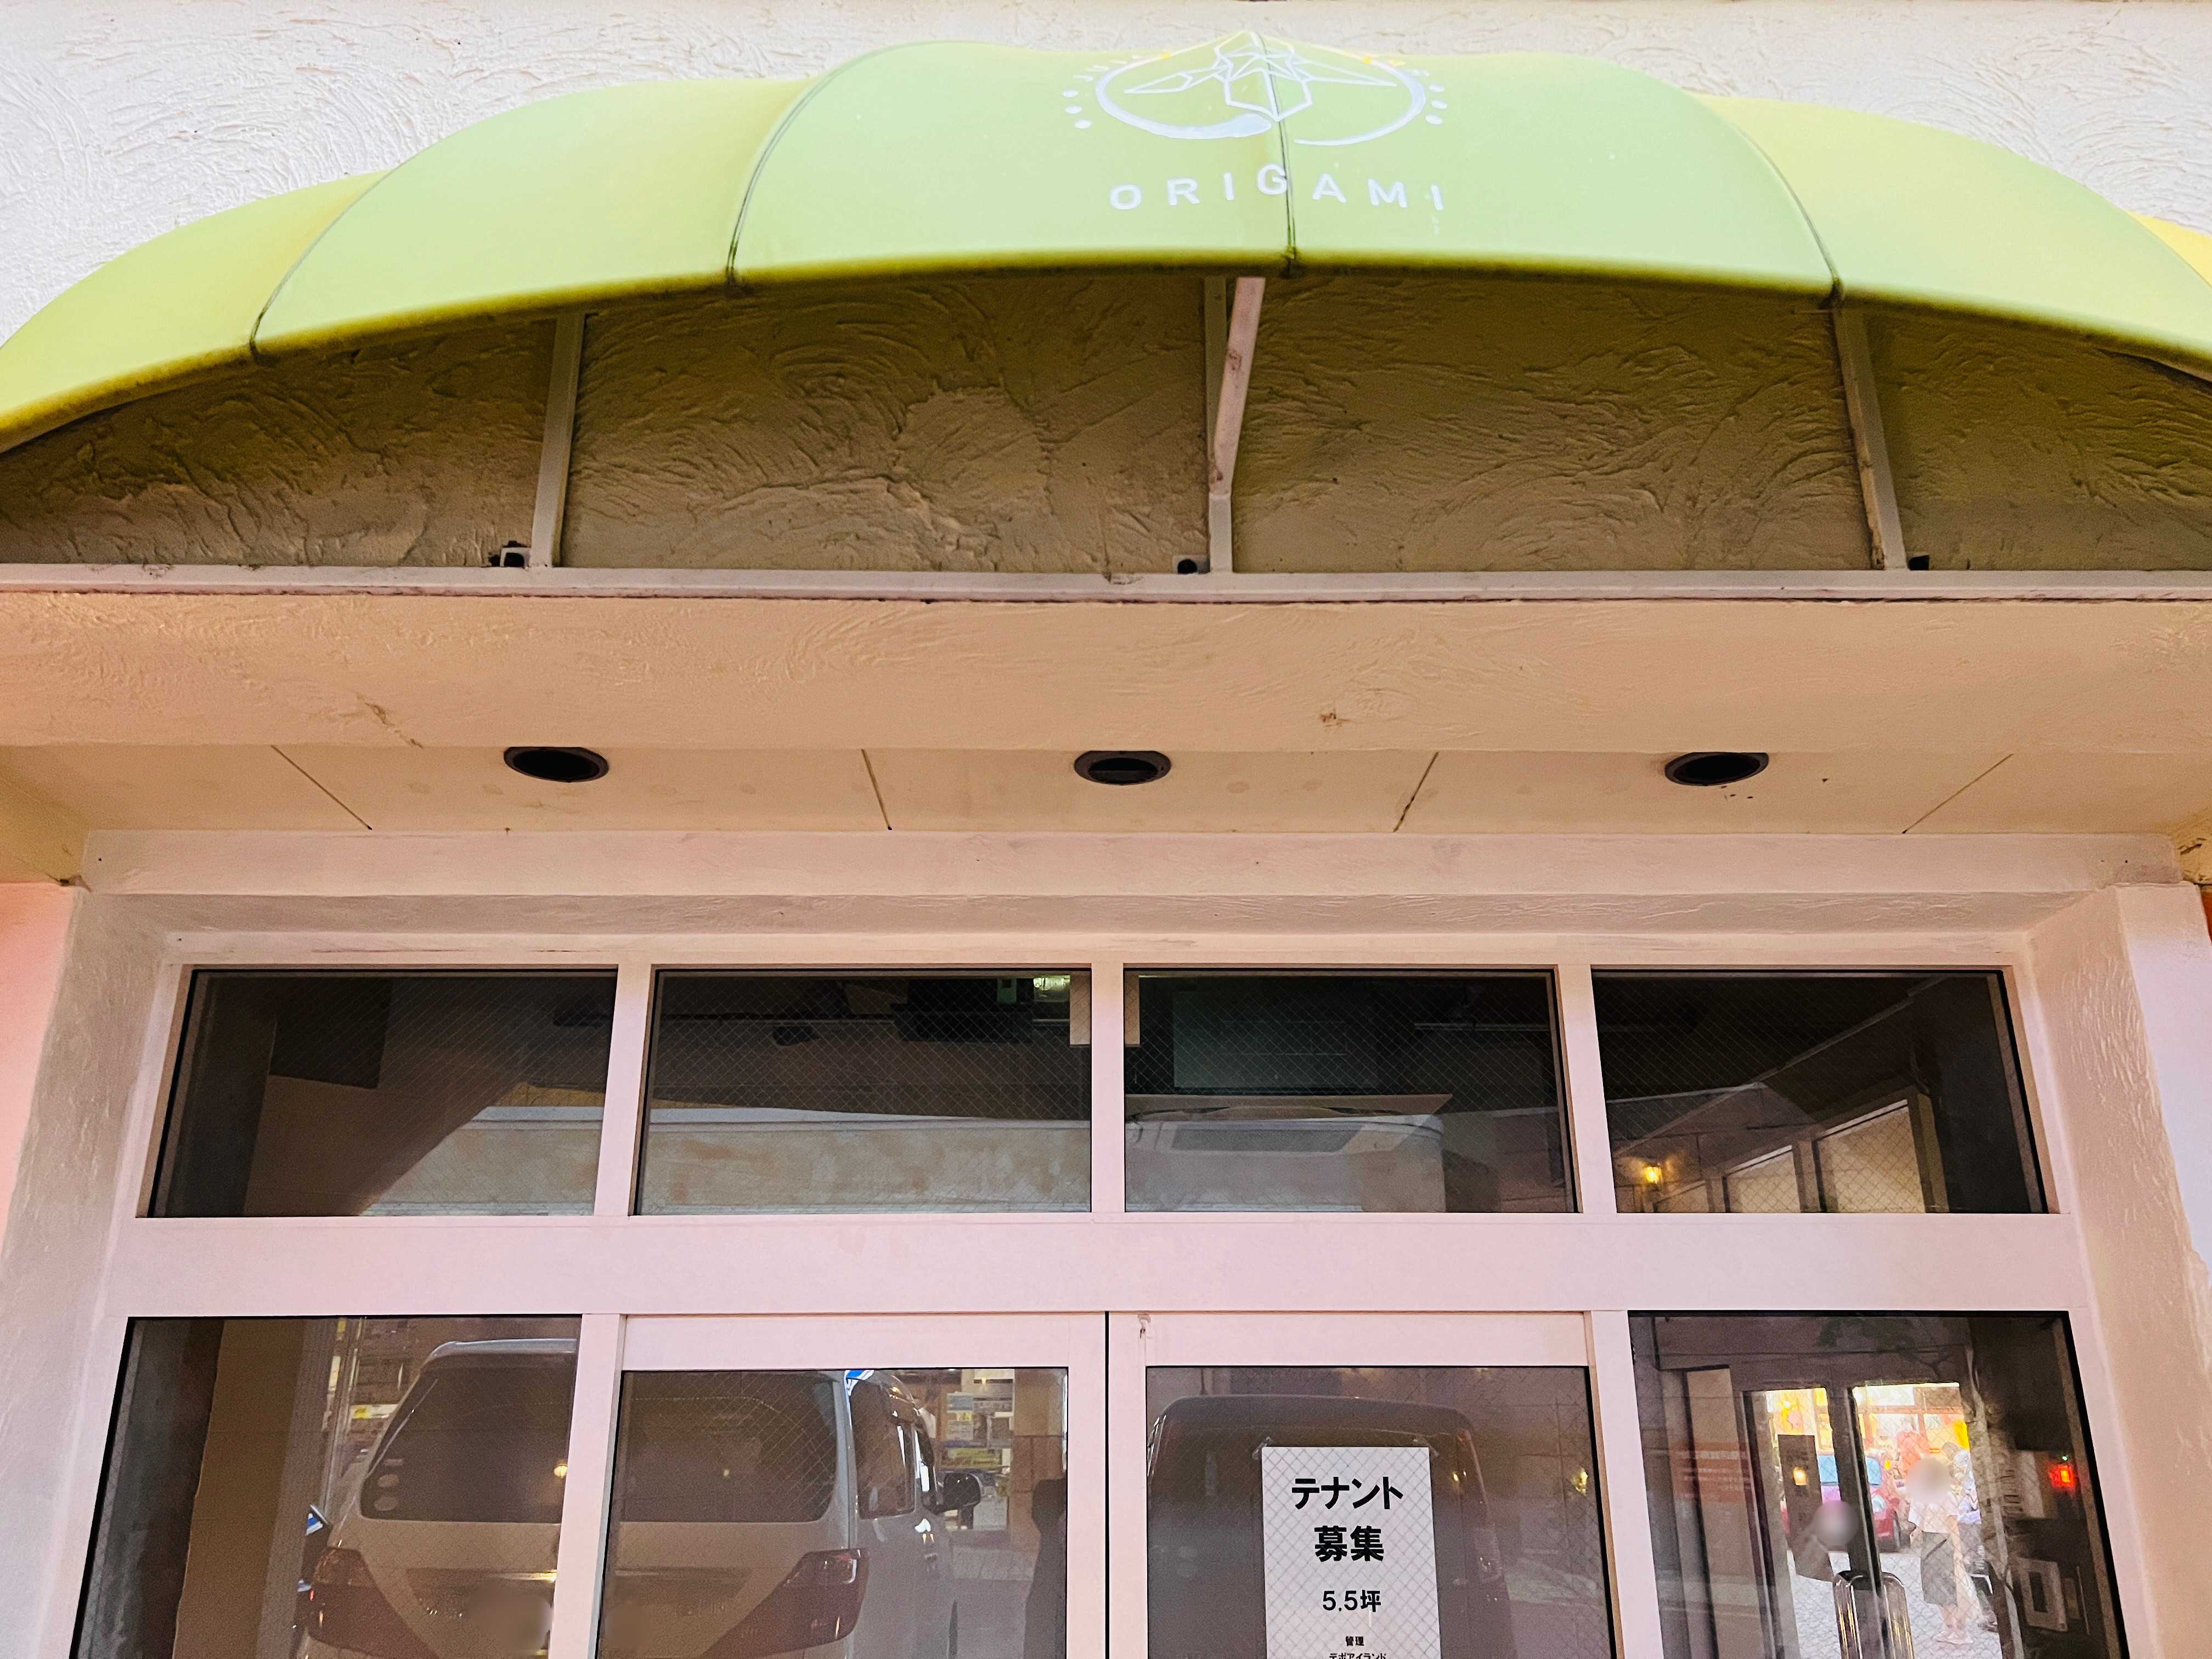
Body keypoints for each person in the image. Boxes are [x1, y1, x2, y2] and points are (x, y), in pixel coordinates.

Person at [1905, 1454, 1974, 1647]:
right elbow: (1918, 1520)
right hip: (1929, 1541)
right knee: (1935, 1587)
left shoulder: (1947, 1495)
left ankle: (1962, 1631)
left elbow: (1953, 1525)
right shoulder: (1922, 1495)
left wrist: (1958, 1550)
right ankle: (1949, 1627)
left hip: (1945, 1540)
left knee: (1951, 1588)